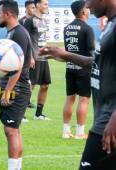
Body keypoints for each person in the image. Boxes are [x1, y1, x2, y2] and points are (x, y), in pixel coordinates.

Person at [40, 0, 116, 168]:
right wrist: (65, 55)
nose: (87, 6)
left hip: (108, 124)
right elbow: (98, 62)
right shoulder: (110, 25)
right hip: (104, 121)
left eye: (89, 0)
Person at [0, 0, 32, 169]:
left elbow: (17, 68)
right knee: (13, 130)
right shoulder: (12, 33)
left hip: (17, 88)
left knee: (11, 130)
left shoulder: (18, 33)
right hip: (11, 86)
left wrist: (7, 91)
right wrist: (1, 78)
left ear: (8, 14)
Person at [62, 0, 95, 139]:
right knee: (84, 100)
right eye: (87, 8)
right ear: (83, 11)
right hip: (84, 70)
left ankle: (65, 131)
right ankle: (80, 133)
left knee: (70, 99)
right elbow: (91, 52)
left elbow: (67, 50)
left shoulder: (66, 28)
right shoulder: (87, 28)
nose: (89, 10)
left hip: (70, 68)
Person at [24, 0, 51, 120]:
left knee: (45, 85)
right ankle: (21, 115)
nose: (47, 6)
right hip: (34, 58)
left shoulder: (44, 21)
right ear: (38, 5)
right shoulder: (30, 21)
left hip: (44, 58)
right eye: (45, 4)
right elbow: (26, 40)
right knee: (31, 85)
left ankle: (38, 114)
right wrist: (29, 57)